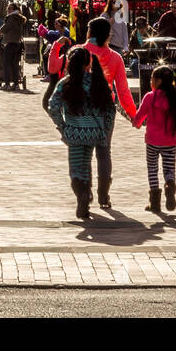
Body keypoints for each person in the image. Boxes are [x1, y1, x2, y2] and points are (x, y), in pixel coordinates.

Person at [48, 46, 116, 221]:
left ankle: (82, 196)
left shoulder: (66, 83)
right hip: (94, 133)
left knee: (76, 169)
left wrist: (62, 127)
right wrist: (104, 128)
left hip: (75, 134)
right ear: (89, 63)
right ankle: (85, 196)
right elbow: (110, 109)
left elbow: (53, 107)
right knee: (85, 162)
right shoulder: (98, 82)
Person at [82, 17, 137, 210]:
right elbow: (123, 91)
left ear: (89, 33)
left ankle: (85, 193)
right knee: (104, 153)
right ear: (108, 35)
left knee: (85, 153)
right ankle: (103, 195)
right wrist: (134, 115)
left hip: (83, 109)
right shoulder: (115, 57)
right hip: (105, 108)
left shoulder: (80, 53)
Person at [133, 65, 176, 213]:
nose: (150, 81)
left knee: (152, 169)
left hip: (151, 140)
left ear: (158, 81)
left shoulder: (150, 97)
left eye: (152, 78)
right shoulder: (175, 98)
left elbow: (138, 118)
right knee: (169, 168)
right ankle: (170, 185)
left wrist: (136, 123)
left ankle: (155, 203)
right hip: (169, 140)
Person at [0, 1, 27, 89]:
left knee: (6, 63)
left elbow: (6, 27)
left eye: (9, 8)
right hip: (18, 43)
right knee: (15, 64)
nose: (8, 10)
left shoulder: (12, 17)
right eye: (8, 8)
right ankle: (16, 84)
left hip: (10, 43)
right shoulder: (18, 18)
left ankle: (7, 84)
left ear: (14, 10)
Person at [42, 29, 73, 112]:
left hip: (54, 95)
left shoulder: (61, 61)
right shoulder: (76, 61)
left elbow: (51, 62)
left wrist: (56, 45)